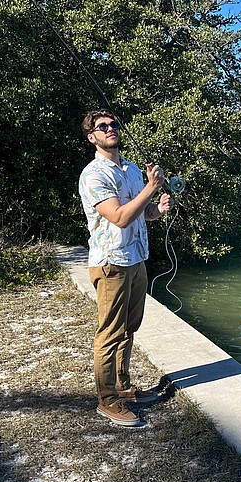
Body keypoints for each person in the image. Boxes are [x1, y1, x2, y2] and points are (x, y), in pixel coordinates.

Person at [78, 109, 173, 427]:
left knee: (129, 328)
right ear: (92, 137)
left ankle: (123, 387)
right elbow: (118, 216)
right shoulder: (94, 175)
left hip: (136, 258)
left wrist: (157, 208)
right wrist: (151, 186)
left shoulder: (132, 170)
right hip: (111, 263)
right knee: (110, 332)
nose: (110, 129)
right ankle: (107, 400)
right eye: (101, 127)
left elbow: (140, 213)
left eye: (113, 124)